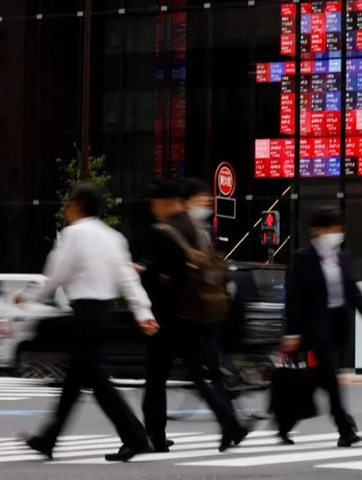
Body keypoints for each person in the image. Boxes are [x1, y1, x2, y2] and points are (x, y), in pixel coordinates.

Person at [17, 182, 158, 462]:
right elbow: (128, 280)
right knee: (75, 378)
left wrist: (29, 295)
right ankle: (49, 438)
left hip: (84, 312)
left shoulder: (74, 234)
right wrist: (144, 313)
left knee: (96, 379)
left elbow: (57, 274)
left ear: (78, 205)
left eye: (69, 205)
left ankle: (136, 437)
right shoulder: (114, 237)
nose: (66, 211)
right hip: (104, 312)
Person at [139, 180, 247, 453]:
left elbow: (162, 279)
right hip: (199, 315)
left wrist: (144, 274)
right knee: (198, 376)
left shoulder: (163, 232)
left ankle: (156, 436)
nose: (155, 211)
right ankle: (230, 423)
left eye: (155, 206)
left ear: (163, 203)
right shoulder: (199, 230)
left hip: (168, 318)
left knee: (155, 379)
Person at [282, 207, 362, 447]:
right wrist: (293, 332)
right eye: (333, 229)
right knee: (331, 377)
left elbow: (350, 287)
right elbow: (294, 297)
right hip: (314, 327)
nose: (337, 234)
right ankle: (345, 428)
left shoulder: (342, 256)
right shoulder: (303, 258)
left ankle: (285, 421)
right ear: (317, 231)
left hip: (337, 324)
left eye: (340, 230)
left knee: (320, 379)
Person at [183, 178, 216, 247]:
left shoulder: (209, 229)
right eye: (202, 195)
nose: (209, 199)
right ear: (188, 201)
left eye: (208, 195)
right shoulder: (181, 228)